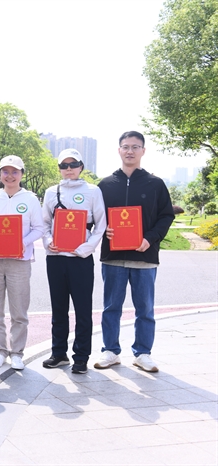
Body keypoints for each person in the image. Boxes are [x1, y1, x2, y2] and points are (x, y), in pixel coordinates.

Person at [94, 131, 174, 373]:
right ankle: (110, 351)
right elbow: (94, 218)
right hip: (113, 257)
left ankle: (143, 353)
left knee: (145, 309)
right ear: (119, 150)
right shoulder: (105, 185)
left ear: (143, 151)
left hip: (144, 257)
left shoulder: (155, 184)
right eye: (126, 146)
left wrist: (150, 238)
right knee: (111, 308)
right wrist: (104, 230)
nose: (130, 151)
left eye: (135, 147)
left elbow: (166, 215)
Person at [41, 149, 106, 374]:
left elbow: (101, 225)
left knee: (82, 310)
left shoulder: (93, 191)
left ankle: (81, 357)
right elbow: (44, 223)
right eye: (64, 165)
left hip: (81, 259)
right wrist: (49, 242)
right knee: (58, 308)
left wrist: (85, 249)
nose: (68, 169)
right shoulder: (51, 192)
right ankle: (59, 353)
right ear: (59, 168)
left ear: (81, 167)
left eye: (73, 164)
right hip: (56, 258)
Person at [0, 155, 44, 370]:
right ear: (0, 175)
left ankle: (17, 352)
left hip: (20, 261)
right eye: (5, 171)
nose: (10, 176)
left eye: (14, 171)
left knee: (19, 309)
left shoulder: (31, 199)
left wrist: (21, 243)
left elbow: (39, 228)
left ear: (22, 174)